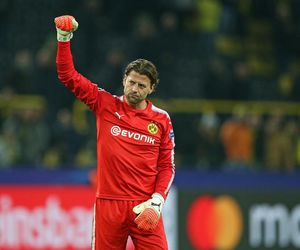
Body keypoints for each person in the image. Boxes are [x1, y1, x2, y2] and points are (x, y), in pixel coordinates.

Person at [54, 15, 175, 250]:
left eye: (141, 86)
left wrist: (158, 201)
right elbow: (67, 75)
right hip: (109, 205)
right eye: (131, 83)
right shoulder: (105, 104)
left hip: (145, 207)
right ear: (124, 80)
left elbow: (167, 166)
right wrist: (63, 39)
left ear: (152, 88)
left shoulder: (161, 119)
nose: (135, 89)